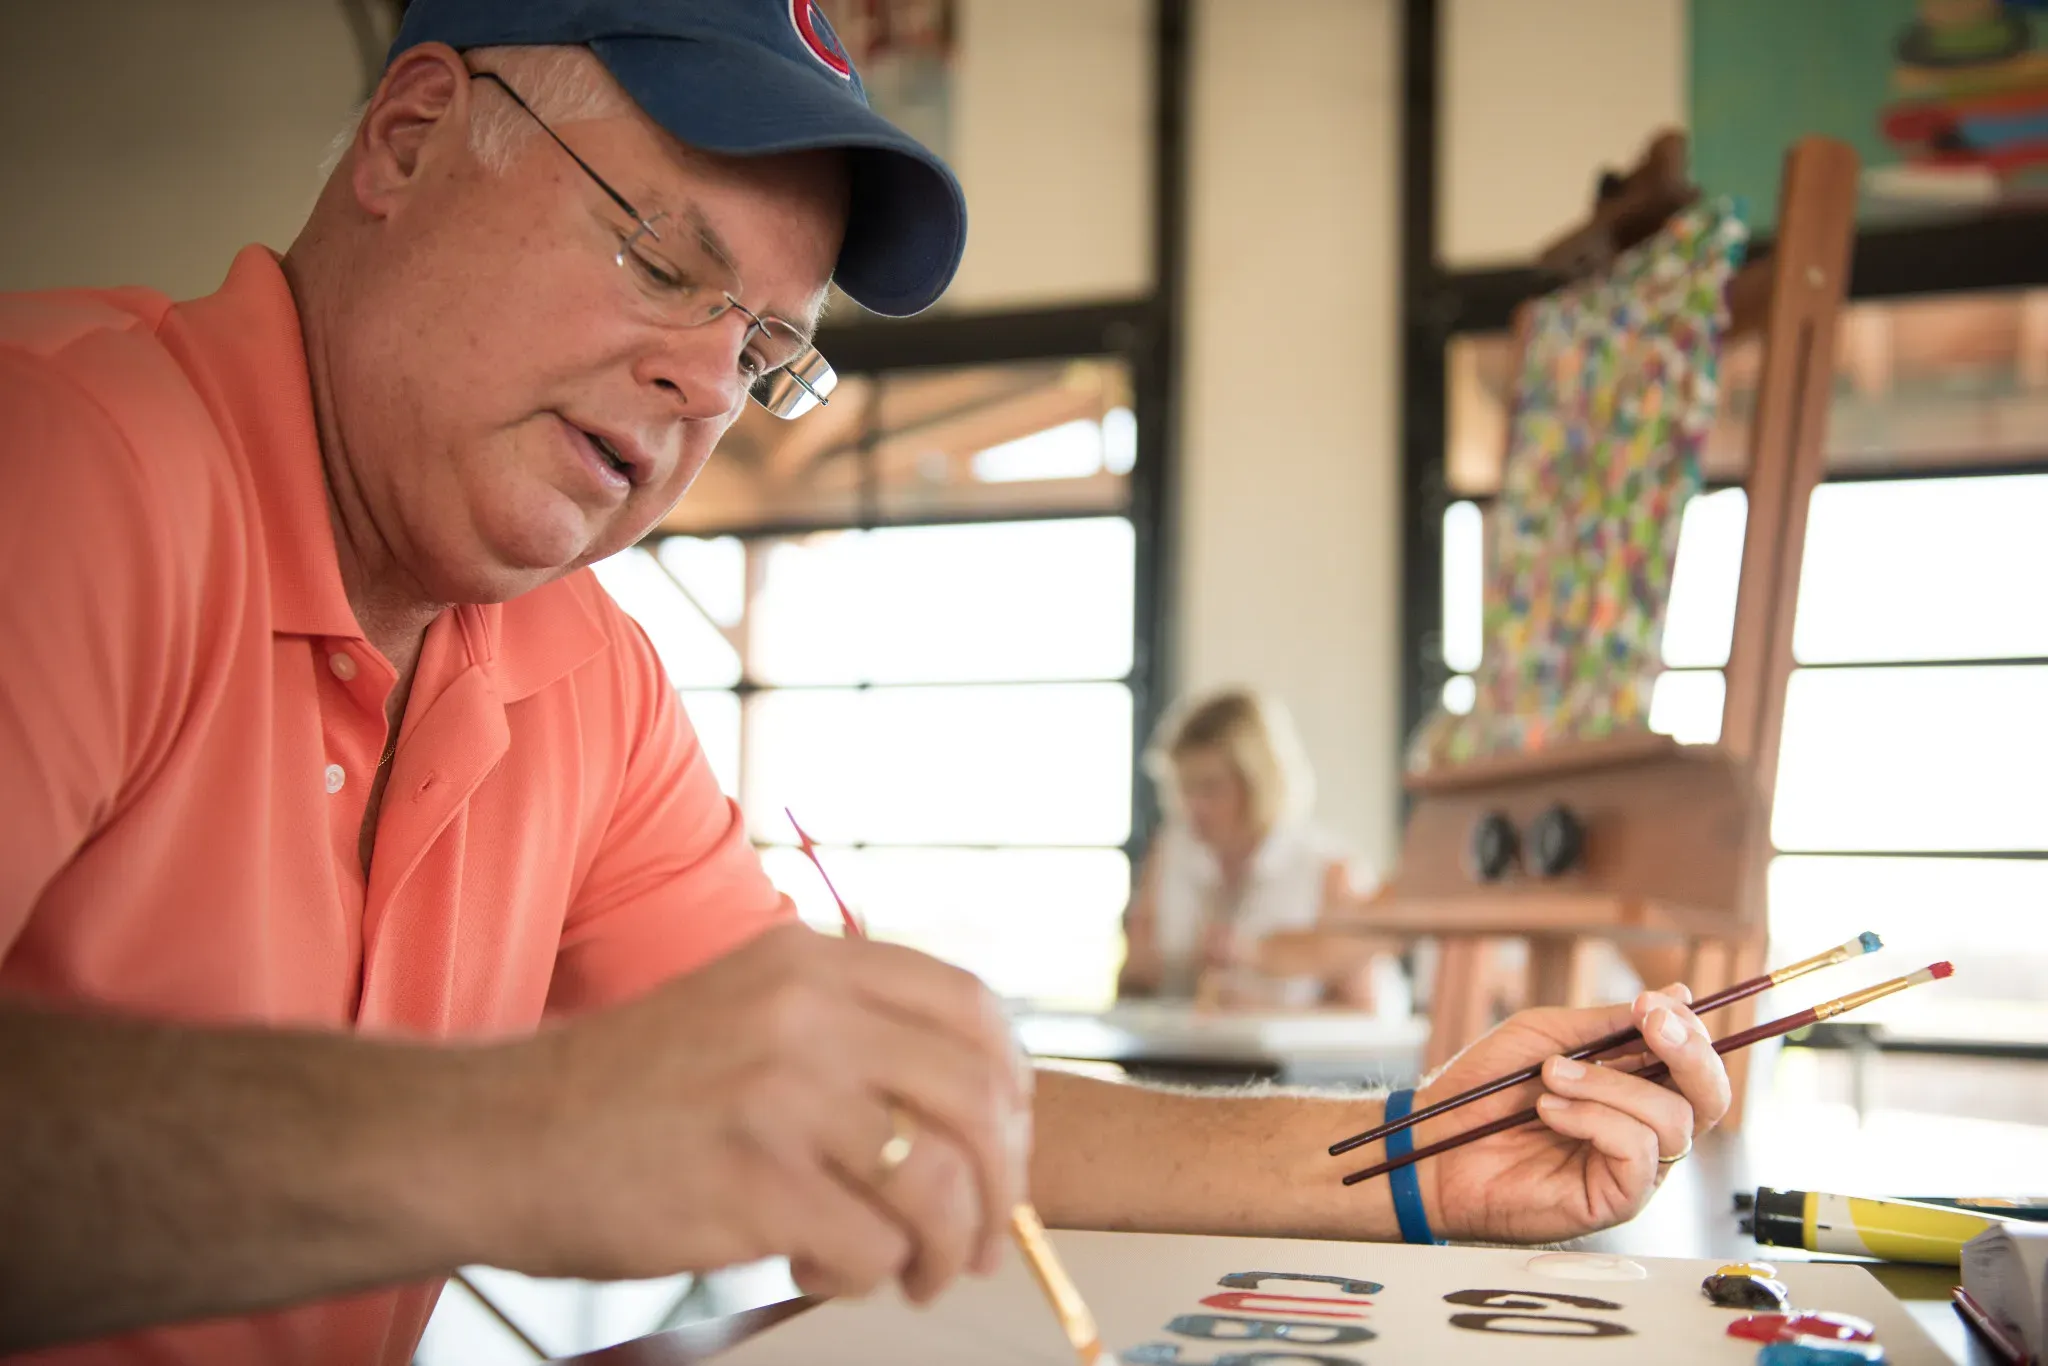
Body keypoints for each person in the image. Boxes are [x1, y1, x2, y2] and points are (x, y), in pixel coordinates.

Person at [0, 2, 1732, 1360]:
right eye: (664, 259)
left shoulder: (574, 669)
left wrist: (1406, 1157)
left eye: (763, 350)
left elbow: (906, 1121)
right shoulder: (66, 466)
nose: (698, 385)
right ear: (409, 136)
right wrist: (521, 1130)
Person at [1118, 688, 1404, 1011]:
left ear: (1256, 783)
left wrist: (1261, 1006)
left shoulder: (1326, 868)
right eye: (1185, 787)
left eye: (1210, 787)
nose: (1193, 807)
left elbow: (1364, 1013)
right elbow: (1134, 983)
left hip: (1288, 1060)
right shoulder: (1170, 851)